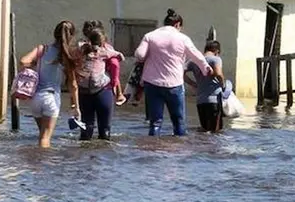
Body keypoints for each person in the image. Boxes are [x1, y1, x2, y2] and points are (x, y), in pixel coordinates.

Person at [134, 8, 212, 136]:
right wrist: (205, 68)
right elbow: (196, 55)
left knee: (155, 122)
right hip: (174, 84)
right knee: (178, 122)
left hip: (152, 84)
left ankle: (151, 150)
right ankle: (179, 151)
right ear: (177, 25)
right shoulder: (183, 38)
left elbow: (140, 55)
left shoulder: (150, 36)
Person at [19, 20, 80, 148]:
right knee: (45, 138)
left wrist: (35, 64)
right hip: (51, 98)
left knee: (42, 135)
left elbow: (23, 61)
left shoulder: (42, 49)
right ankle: (43, 164)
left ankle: (36, 163)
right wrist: (77, 107)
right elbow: (73, 85)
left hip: (35, 98)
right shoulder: (67, 56)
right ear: (71, 36)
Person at [76, 28, 123, 140]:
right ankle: (104, 155)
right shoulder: (104, 52)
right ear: (102, 42)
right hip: (102, 90)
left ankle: (83, 155)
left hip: (83, 92)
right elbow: (120, 56)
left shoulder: (81, 50)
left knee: (86, 130)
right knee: (105, 130)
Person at [81, 20, 126, 106]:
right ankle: (119, 94)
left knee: (86, 119)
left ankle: (73, 100)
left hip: (83, 87)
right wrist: (114, 83)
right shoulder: (106, 48)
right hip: (103, 87)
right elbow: (114, 65)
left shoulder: (81, 46)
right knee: (113, 68)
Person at [185, 40, 225, 132]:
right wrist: (223, 85)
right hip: (214, 100)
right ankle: (212, 146)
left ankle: (203, 146)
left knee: (205, 130)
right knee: (216, 132)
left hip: (200, 101)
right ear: (217, 51)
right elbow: (218, 74)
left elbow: (181, 72)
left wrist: (193, 83)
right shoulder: (215, 59)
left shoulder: (194, 60)